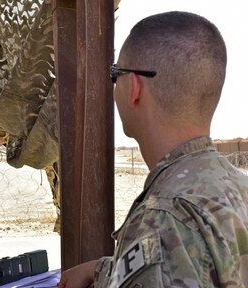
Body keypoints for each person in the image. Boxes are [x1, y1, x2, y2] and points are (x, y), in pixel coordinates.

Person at [59, 11, 248, 288]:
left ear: (134, 86)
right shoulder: (237, 187)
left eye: (115, 75)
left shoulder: (165, 218)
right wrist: (103, 270)